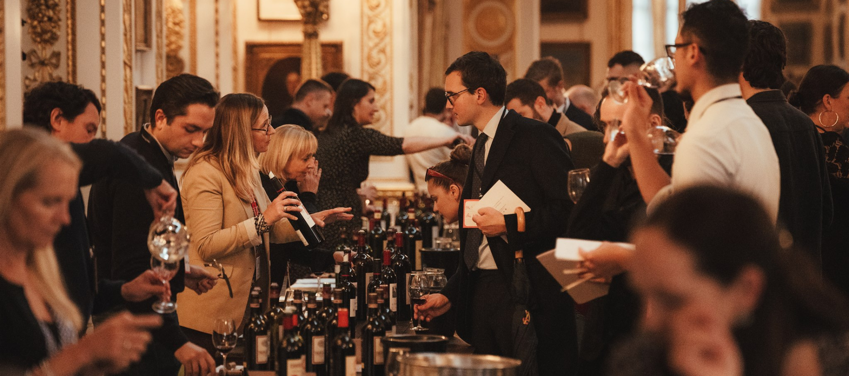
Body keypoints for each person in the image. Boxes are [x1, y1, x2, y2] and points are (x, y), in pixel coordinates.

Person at [416, 51, 577, 375]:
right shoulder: (480, 145)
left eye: (453, 95)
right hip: (481, 290)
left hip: (523, 289)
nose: (449, 104)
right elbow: (478, 239)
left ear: (479, 94)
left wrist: (509, 224)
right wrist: (450, 295)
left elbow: (567, 211)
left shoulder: (534, 135)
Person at [602, 186, 849, 376]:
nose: (649, 322)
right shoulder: (642, 358)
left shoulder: (831, 357)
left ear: (747, 289)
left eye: (673, 300)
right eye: (643, 295)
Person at [0, 128, 164, 376]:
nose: (65, 219)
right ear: (7, 196)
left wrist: (93, 364)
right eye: (50, 202)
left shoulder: (41, 269)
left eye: (67, 202)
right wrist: (83, 352)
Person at [87, 74, 221, 376]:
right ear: (160, 117)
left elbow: (148, 240)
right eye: (191, 129)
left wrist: (180, 273)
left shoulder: (142, 150)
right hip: (136, 323)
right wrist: (176, 341)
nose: (199, 142)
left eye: (205, 132)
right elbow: (132, 265)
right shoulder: (139, 167)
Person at [22, 81, 177, 326]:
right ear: (57, 119)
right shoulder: (27, 166)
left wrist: (124, 290)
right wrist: (153, 181)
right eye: (89, 129)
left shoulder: (65, 188)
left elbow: (74, 285)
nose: (93, 140)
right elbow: (107, 155)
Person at [618, 0, 780, 222]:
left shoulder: (706, 138)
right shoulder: (750, 121)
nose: (673, 60)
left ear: (693, 53)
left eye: (676, 49)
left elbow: (688, 244)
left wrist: (620, 255)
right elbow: (670, 201)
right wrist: (635, 133)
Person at [177, 93, 302, 354]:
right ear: (241, 132)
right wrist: (265, 218)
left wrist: (311, 222)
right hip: (212, 307)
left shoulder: (247, 168)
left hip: (249, 300)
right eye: (265, 126)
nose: (273, 131)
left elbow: (269, 230)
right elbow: (207, 244)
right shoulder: (205, 173)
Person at [566, 87, 667, 376]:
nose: (610, 136)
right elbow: (578, 232)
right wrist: (608, 164)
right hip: (604, 322)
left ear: (651, 123)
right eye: (605, 126)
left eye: (619, 125)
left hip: (647, 320)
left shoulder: (674, 170)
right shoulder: (610, 171)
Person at [315, 78, 465, 249]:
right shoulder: (354, 135)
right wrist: (446, 140)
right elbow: (402, 145)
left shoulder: (330, 134)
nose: (376, 108)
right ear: (354, 104)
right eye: (371, 101)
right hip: (339, 220)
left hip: (326, 213)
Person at [740, 21, 832, 267]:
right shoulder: (805, 123)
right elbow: (825, 210)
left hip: (765, 276)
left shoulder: (742, 124)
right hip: (805, 274)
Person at [258, 124, 353, 282]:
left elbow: (290, 245)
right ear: (283, 156)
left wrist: (332, 257)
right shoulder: (266, 187)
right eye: (305, 158)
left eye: (312, 157)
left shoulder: (284, 185)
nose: (311, 164)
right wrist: (308, 196)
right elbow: (299, 237)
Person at [788, 64, 849, 298]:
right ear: (828, 101)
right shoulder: (833, 148)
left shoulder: (797, 137)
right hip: (836, 260)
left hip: (803, 256)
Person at [606, 50, 688, 132]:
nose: (609, 86)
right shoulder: (608, 103)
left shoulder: (667, 101)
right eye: (608, 80)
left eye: (614, 80)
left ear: (636, 76)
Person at [406, 88, 467, 192]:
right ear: (445, 108)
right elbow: (460, 167)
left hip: (419, 191)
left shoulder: (410, 128)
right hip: (442, 192)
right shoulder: (445, 132)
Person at [525, 56, 595, 129]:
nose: (537, 99)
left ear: (559, 86)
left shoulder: (586, 122)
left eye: (543, 92)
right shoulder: (529, 120)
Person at [505, 78, 586, 137]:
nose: (516, 125)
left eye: (520, 115)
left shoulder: (578, 136)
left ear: (540, 104)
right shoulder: (531, 137)